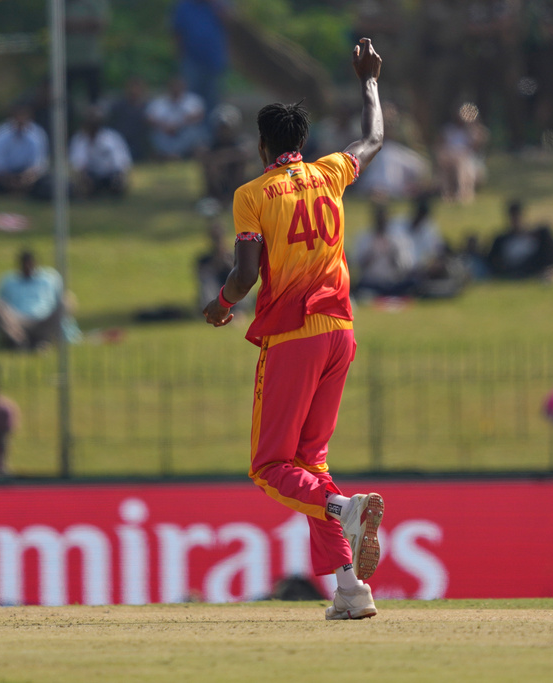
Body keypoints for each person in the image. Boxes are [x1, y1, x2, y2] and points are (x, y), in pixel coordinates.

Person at [202, 38, 386, 620]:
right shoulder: (329, 172)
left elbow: (245, 274)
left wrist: (220, 305)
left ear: (262, 146)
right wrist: (369, 81)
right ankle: (350, 590)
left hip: (293, 334)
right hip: (340, 331)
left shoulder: (252, 195)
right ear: (301, 143)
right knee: (310, 463)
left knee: (269, 468)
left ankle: (343, 509)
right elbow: (374, 139)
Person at [0, 250, 81, 351]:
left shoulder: (49, 279)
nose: (28, 268)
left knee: (66, 302)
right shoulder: (9, 281)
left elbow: (61, 302)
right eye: (25, 265)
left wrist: (71, 333)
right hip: (17, 322)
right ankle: (21, 342)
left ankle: (39, 339)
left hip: (43, 319)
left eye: (30, 264)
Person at [171, 0, 234, 120]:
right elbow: (177, 32)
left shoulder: (220, 3)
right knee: (190, 101)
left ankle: (211, 130)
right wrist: (179, 58)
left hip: (215, 62)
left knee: (213, 102)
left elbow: (230, 22)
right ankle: (192, 130)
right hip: (191, 62)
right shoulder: (184, 6)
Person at [0, 103, 51, 200]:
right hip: (5, 175)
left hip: (28, 175)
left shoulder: (38, 134)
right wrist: (9, 179)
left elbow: (39, 163)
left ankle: (23, 190)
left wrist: (27, 177)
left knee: (44, 179)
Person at [486, 200, 553, 281]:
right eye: (514, 218)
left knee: (544, 231)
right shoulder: (501, 239)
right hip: (520, 266)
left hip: (535, 258)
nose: (516, 221)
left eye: (518, 217)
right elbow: (493, 260)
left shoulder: (533, 234)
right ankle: (551, 270)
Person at [352, 202, 415, 299]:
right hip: (371, 282)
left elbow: (405, 266)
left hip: (392, 283)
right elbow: (358, 266)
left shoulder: (396, 238)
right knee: (359, 287)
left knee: (412, 284)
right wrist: (373, 253)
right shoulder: (365, 238)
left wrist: (392, 253)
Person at [69, 107, 132, 198]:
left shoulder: (112, 137)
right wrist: (83, 178)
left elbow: (121, 161)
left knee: (117, 183)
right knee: (83, 184)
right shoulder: (79, 139)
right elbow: (77, 164)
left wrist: (120, 176)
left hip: (110, 175)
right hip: (91, 176)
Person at [64, 0, 110, 125]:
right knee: (63, 104)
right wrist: (85, 24)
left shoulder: (97, 3)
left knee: (95, 105)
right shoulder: (63, 3)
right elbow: (59, 24)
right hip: (67, 61)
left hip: (91, 60)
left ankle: (95, 128)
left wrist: (73, 25)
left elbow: (100, 24)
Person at [200, 104, 251, 208]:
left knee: (240, 164)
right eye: (221, 128)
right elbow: (203, 154)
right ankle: (215, 197)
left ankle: (234, 196)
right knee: (212, 166)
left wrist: (223, 158)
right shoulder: (211, 142)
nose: (224, 131)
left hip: (235, 176)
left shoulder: (241, 140)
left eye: (226, 128)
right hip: (218, 178)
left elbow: (246, 153)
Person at [146, 76, 208, 160]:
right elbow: (149, 118)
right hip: (164, 132)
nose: (175, 89)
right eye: (173, 86)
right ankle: (169, 155)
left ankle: (178, 154)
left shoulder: (193, 100)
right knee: (154, 134)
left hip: (184, 131)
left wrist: (179, 125)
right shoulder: (159, 102)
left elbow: (199, 115)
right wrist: (164, 125)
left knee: (194, 132)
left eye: (178, 86)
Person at [106, 76, 152, 162]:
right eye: (132, 88)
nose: (134, 91)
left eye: (137, 88)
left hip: (140, 143)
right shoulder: (118, 106)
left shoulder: (147, 107)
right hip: (121, 142)